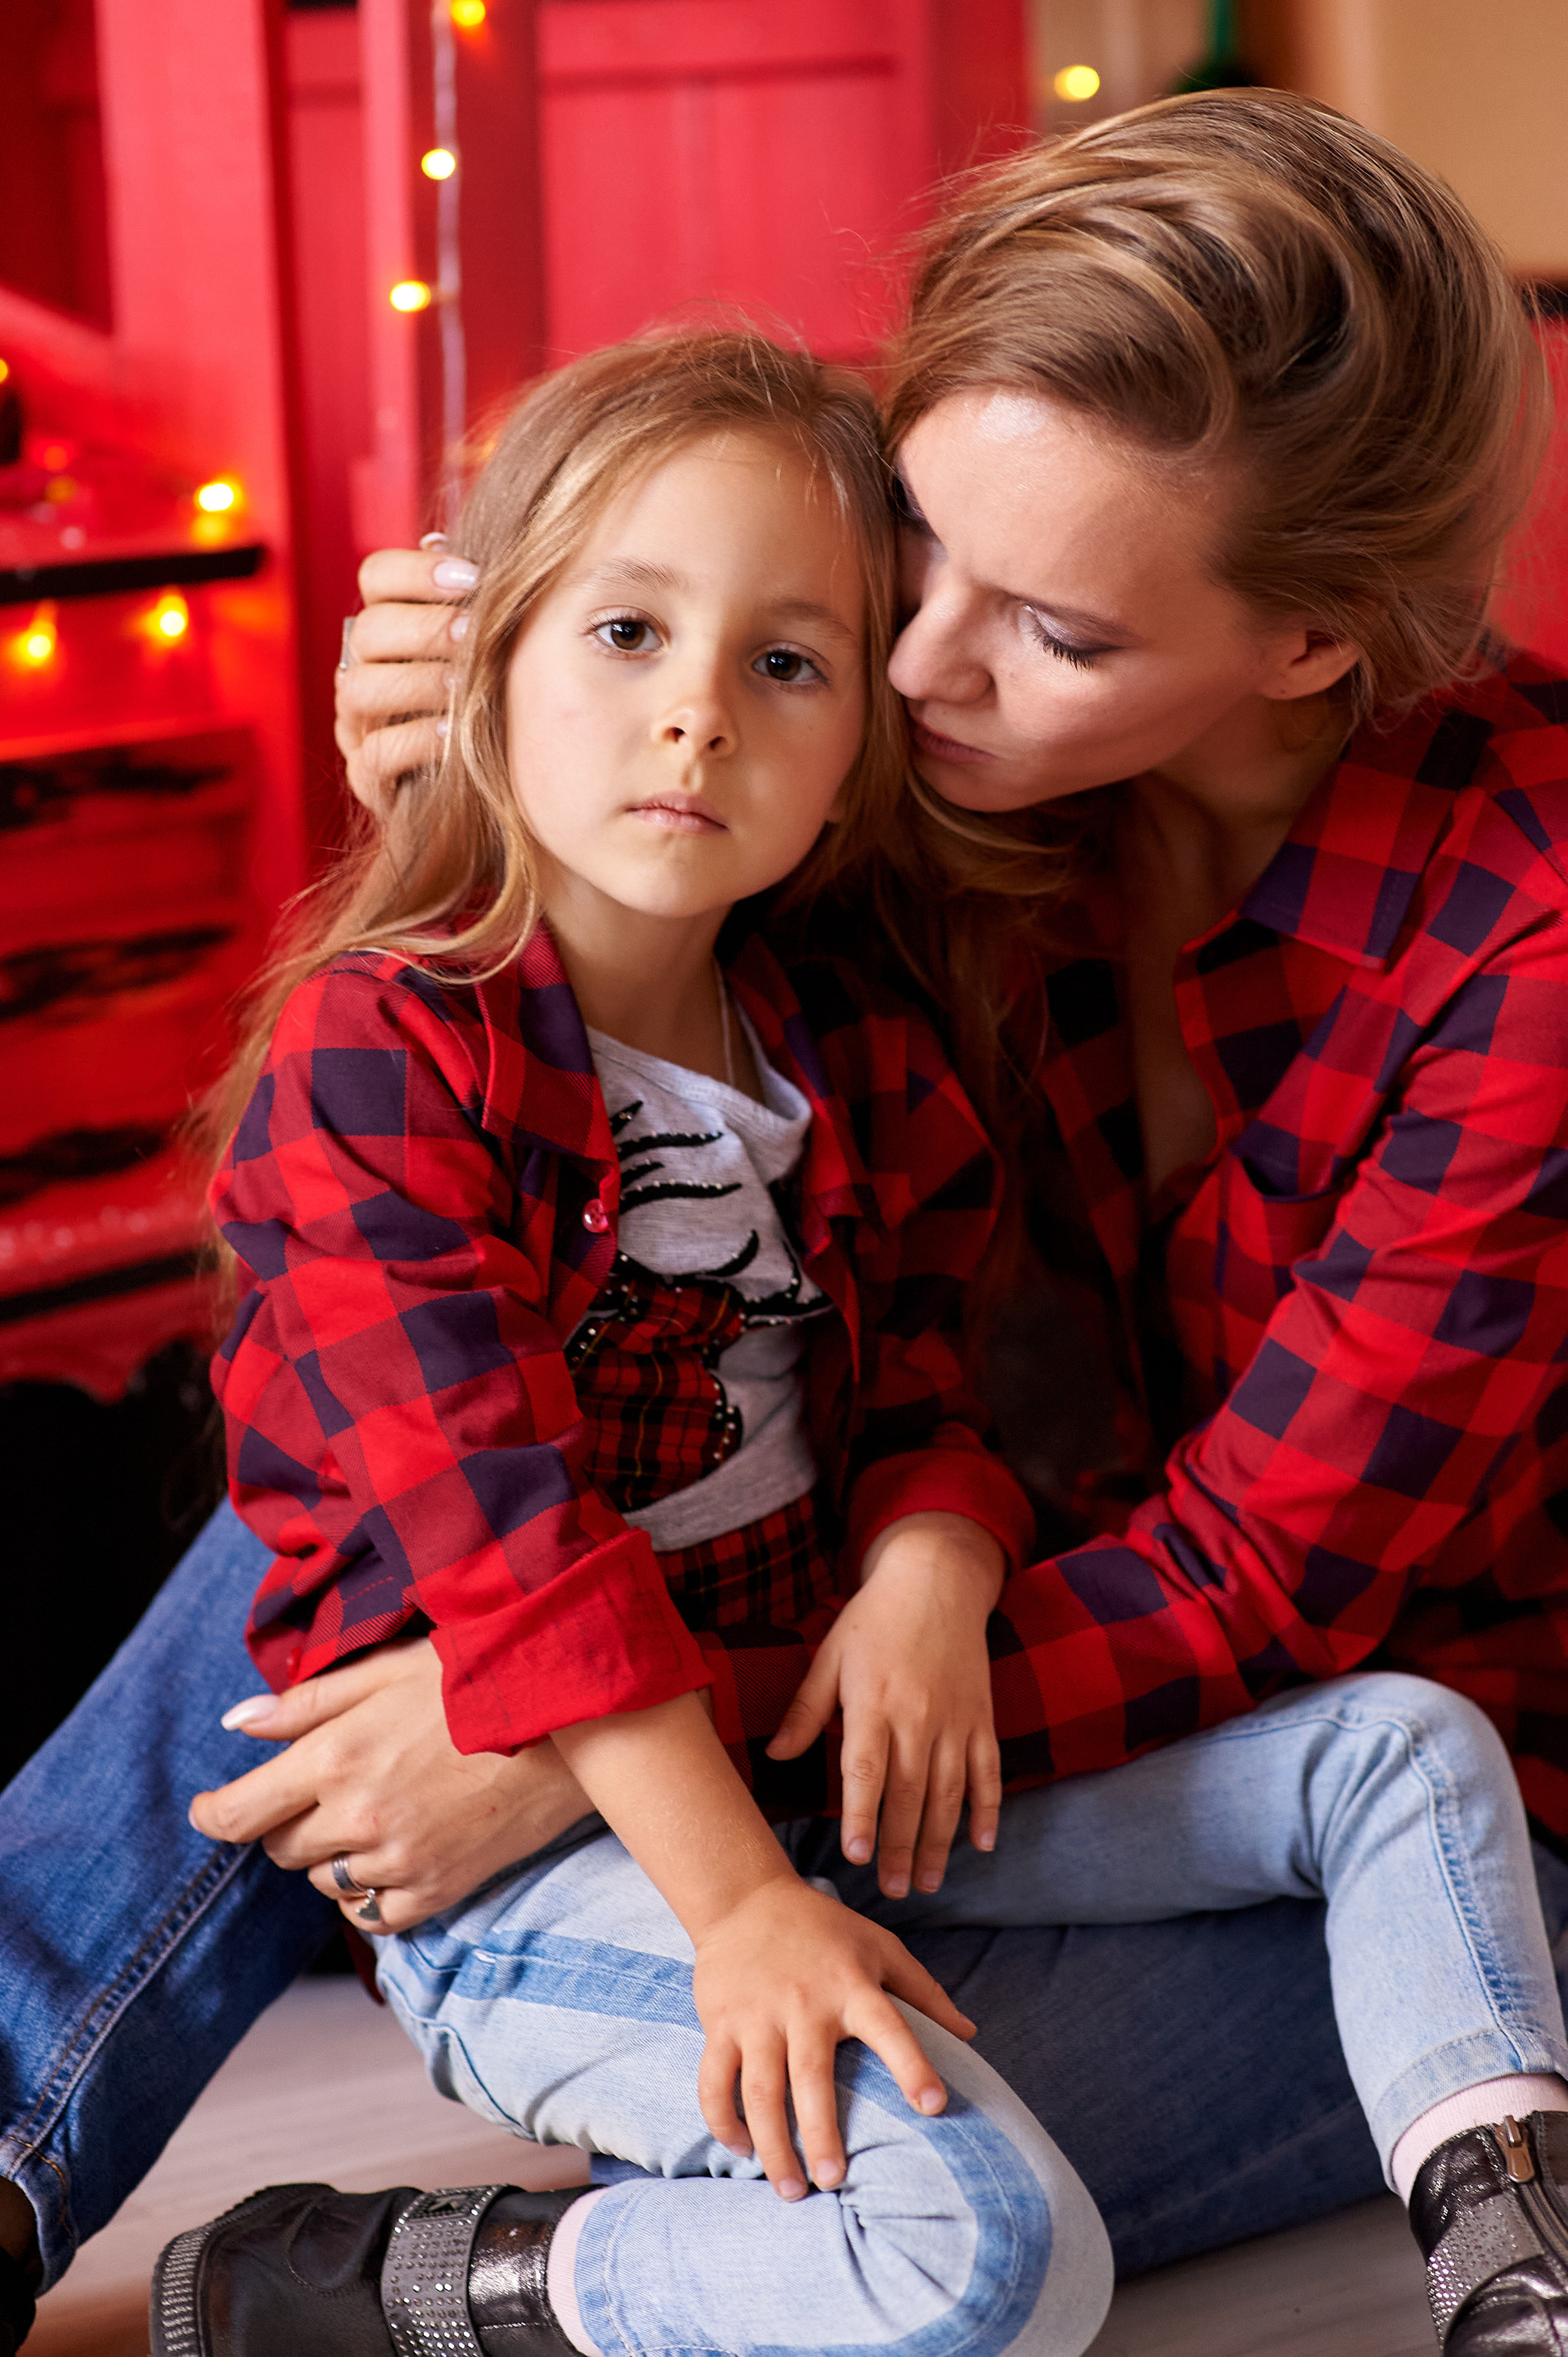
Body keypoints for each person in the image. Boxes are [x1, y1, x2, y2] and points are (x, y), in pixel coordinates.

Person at [0, 83, 1564, 2357]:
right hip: (855, 1616)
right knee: (349, 1474)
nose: (918, 669)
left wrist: (577, 1720)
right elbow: (478, 1183)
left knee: (949, 2194)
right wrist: (474, 759)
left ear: (1310, 641)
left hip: (1306, 1750)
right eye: (913, 554)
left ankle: (427, 2284)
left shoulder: (1522, 945)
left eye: (1047, 633)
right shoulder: (903, 687)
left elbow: (1264, 1589)